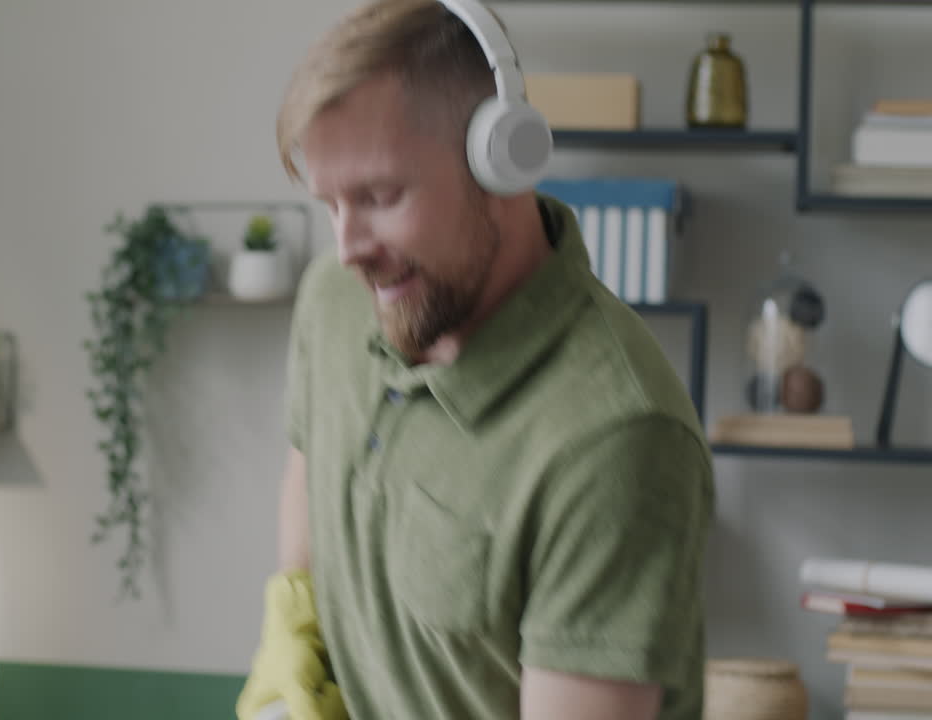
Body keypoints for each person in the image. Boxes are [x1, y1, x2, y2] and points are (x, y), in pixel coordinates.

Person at [236, 0, 715, 718]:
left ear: (501, 163)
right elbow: (313, 465)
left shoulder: (617, 440)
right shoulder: (334, 301)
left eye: (379, 195)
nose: (348, 248)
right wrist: (294, 626)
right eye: (330, 204)